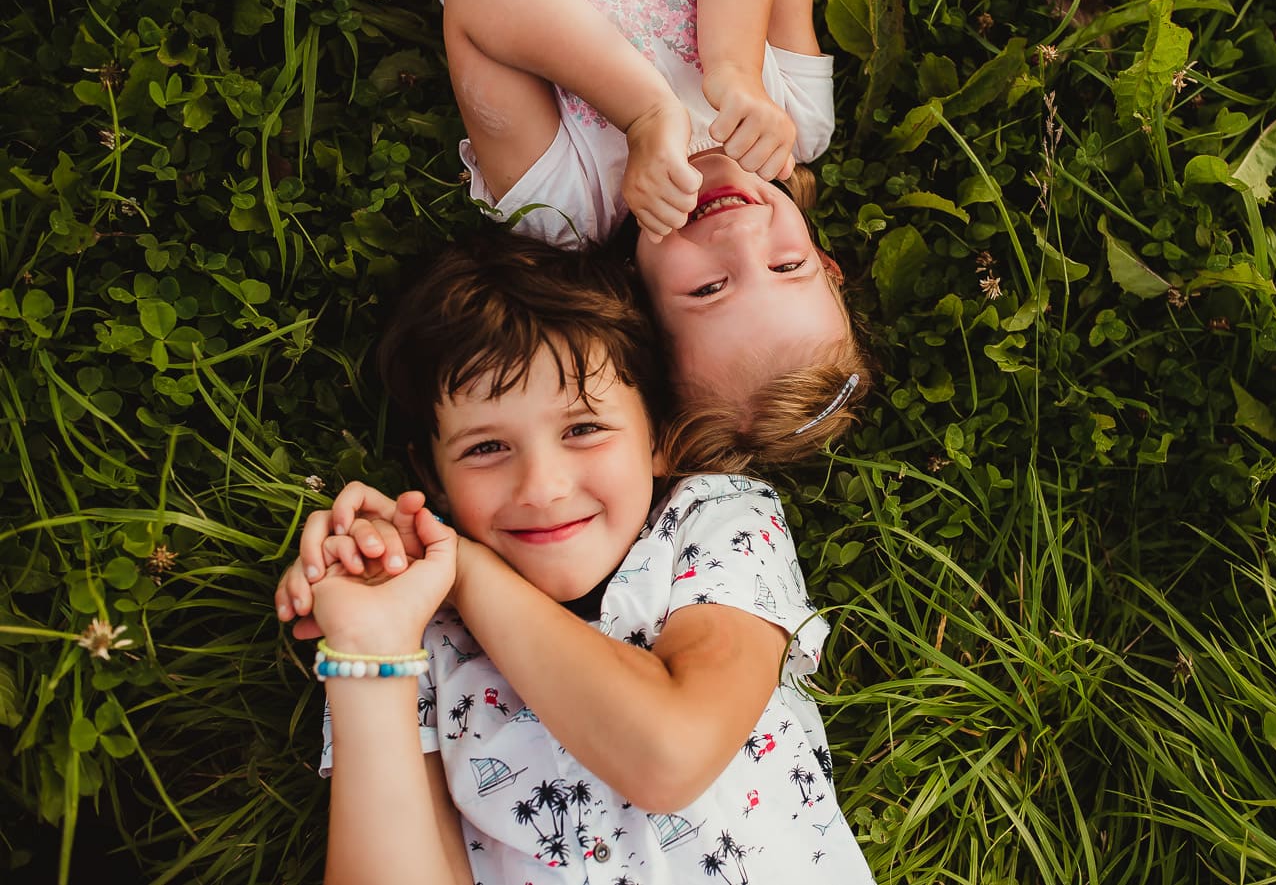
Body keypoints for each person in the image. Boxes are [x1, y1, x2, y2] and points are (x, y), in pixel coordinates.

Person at [177, 0, 872, 464]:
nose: (742, 236)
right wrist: (732, 65)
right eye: (787, 265)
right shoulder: (793, 118)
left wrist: (642, 114)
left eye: (710, 287)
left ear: (636, 302)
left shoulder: (568, 203)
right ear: (826, 259)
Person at [275, 230, 875, 884]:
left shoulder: (714, 523)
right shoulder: (421, 638)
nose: (542, 486)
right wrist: (370, 643)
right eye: (485, 448)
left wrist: (470, 569)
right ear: (434, 475)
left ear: (659, 436)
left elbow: (670, 753)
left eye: (583, 428)